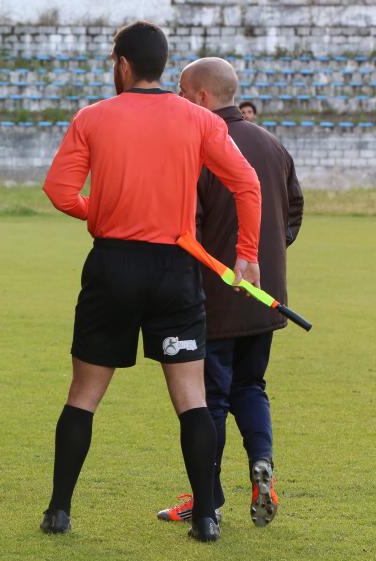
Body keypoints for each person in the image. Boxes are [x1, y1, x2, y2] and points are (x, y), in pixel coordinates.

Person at [39, 21, 262, 542]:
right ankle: (206, 517)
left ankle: (59, 510)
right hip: (174, 268)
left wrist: (102, 213)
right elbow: (245, 182)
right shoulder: (197, 118)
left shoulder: (93, 117)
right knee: (191, 398)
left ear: (121, 64)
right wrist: (246, 255)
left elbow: (59, 190)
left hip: (113, 264)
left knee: (83, 395)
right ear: (162, 65)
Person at [157, 57, 303, 528]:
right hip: (265, 297)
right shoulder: (273, 145)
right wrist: (266, 257)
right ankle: (263, 464)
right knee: (252, 385)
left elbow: (186, 228)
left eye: (181, 89)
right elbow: (293, 212)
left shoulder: (198, 145)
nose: (176, 98)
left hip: (213, 297)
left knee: (211, 400)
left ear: (201, 96)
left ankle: (208, 498)